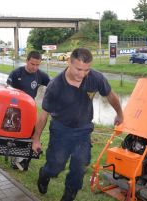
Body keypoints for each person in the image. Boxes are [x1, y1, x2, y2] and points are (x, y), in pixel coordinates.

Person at [31, 48, 123, 201]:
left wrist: (119, 113)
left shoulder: (95, 78)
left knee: (79, 166)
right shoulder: (55, 86)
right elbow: (43, 115)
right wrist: (36, 138)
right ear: (69, 63)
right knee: (56, 166)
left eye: (86, 70)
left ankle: (69, 194)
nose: (82, 74)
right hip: (61, 129)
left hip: (83, 129)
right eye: (78, 69)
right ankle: (45, 174)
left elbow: (110, 95)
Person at [6, 51, 50, 171]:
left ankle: (24, 159)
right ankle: (15, 159)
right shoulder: (16, 73)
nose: (35, 67)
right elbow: (8, 91)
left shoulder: (41, 75)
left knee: (31, 133)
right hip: (15, 109)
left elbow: (52, 86)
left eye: (37, 65)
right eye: (32, 64)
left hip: (30, 109)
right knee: (16, 135)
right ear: (27, 60)